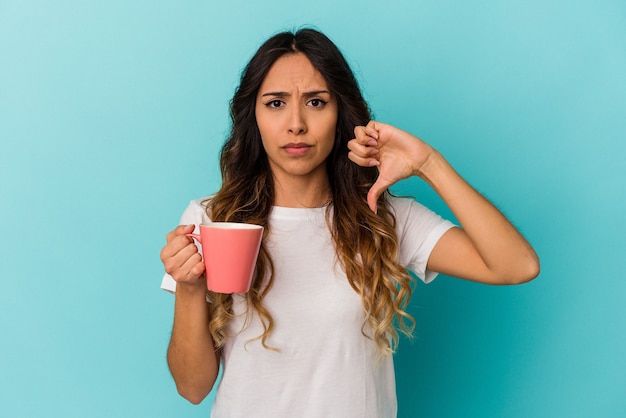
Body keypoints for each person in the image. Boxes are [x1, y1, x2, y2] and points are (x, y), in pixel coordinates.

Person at [159, 28, 539, 417]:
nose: (296, 124)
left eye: (316, 102)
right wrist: (190, 289)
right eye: (275, 103)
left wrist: (428, 164)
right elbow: (192, 388)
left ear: (341, 113)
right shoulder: (211, 220)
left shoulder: (381, 216)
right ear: (252, 115)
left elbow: (516, 265)